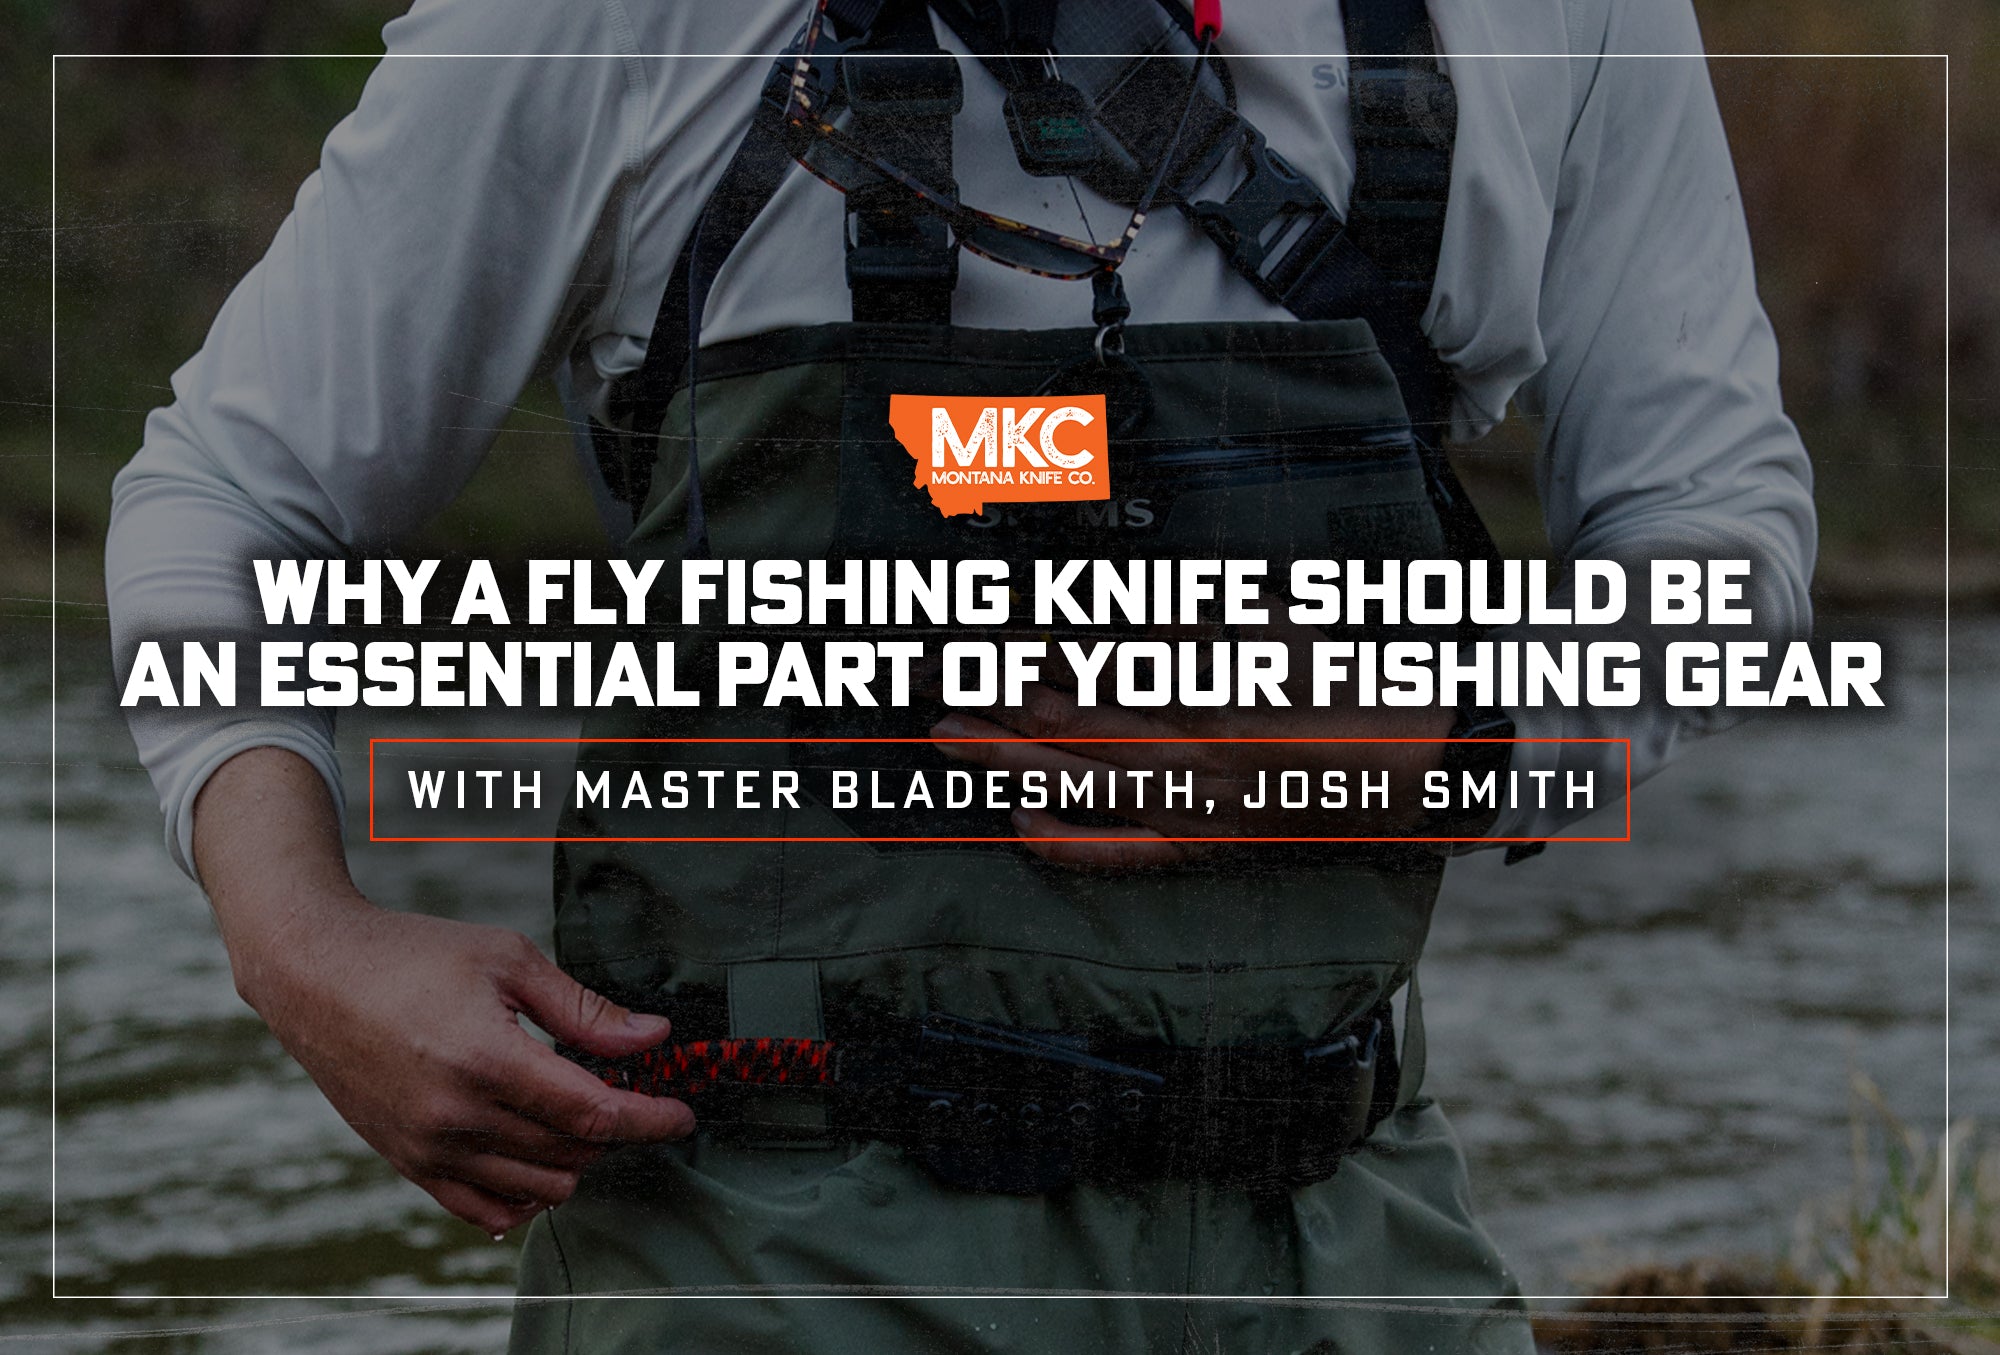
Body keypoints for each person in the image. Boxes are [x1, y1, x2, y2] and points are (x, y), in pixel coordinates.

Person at [106, 0, 1815, 1349]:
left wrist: (1432, 739)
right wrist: (302, 944)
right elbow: (236, 494)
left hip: (1351, 1228)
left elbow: (1713, 515)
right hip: (774, 1258)